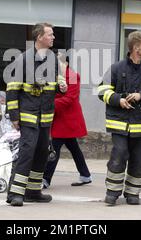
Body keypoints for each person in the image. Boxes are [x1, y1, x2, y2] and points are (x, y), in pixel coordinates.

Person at [97, 31, 141, 206]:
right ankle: (112, 192)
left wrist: (140, 96)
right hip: (119, 123)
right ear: (136, 48)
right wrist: (118, 100)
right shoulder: (116, 68)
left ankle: (133, 192)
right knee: (119, 154)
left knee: (138, 160)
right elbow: (102, 90)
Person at [5, 22, 67, 207]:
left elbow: (56, 84)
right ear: (39, 37)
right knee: (26, 153)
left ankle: (33, 191)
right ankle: (15, 193)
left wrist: (61, 87)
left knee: (41, 153)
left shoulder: (52, 59)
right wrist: (14, 117)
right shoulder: (23, 60)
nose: (53, 37)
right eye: (50, 34)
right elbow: (12, 89)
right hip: (28, 116)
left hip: (45, 117)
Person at [42, 52, 92, 188]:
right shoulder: (54, 77)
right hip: (61, 118)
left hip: (68, 119)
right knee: (74, 148)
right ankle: (85, 175)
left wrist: (49, 104)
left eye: (60, 63)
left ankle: (45, 180)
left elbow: (69, 99)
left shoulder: (73, 77)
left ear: (66, 64)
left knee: (55, 148)